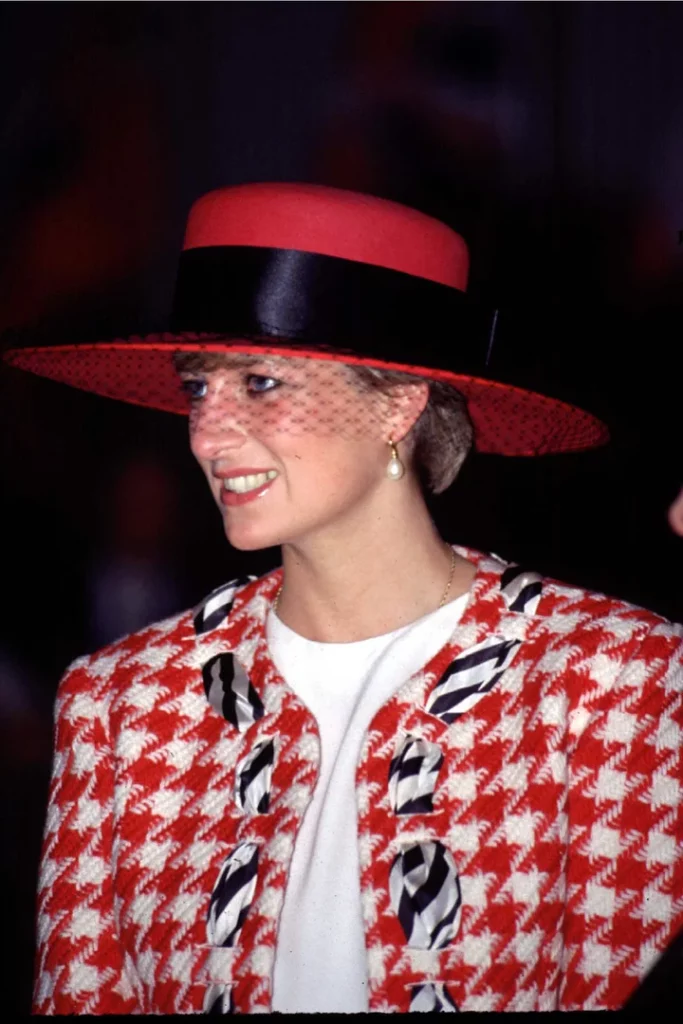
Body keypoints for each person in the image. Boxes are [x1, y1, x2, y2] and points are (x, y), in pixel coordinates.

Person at [3, 182, 681, 1014]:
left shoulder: (610, 681)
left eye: (259, 383)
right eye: (197, 388)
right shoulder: (121, 704)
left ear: (396, 403)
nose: (206, 434)